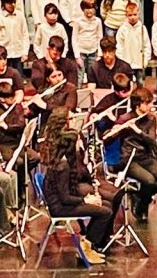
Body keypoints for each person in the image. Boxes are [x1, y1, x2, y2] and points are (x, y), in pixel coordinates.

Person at [39, 108, 112, 265]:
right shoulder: (63, 165)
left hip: (62, 201)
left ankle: (88, 244)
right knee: (105, 212)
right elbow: (64, 198)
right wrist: (86, 200)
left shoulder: (61, 158)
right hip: (60, 207)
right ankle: (85, 248)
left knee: (105, 204)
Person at [106, 87, 157, 222]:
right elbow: (107, 140)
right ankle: (141, 205)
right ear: (138, 104)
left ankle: (139, 197)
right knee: (149, 181)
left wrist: (137, 131)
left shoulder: (150, 119)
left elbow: (152, 140)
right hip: (129, 159)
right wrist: (116, 130)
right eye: (147, 103)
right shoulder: (125, 118)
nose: (151, 106)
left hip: (145, 156)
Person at [0, 0, 30, 69]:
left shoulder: (20, 15)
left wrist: (25, 52)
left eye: (13, 2)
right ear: (3, 3)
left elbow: (25, 34)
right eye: (9, 3)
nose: (12, 5)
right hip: (3, 55)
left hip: (18, 53)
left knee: (18, 77)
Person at [115, 1, 151, 86]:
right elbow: (119, 46)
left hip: (139, 63)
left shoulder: (142, 28)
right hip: (126, 63)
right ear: (126, 15)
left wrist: (145, 60)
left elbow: (147, 45)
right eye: (130, 15)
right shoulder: (122, 29)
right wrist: (122, 62)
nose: (132, 17)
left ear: (138, 14)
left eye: (135, 15)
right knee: (126, 85)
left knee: (140, 83)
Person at [71, 0, 103, 84]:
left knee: (92, 75)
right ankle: (78, 94)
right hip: (81, 52)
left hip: (93, 52)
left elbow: (100, 37)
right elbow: (74, 39)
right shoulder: (78, 21)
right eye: (87, 8)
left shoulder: (98, 21)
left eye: (92, 8)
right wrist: (77, 56)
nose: (89, 11)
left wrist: (99, 54)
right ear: (83, 9)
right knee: (80, 75)